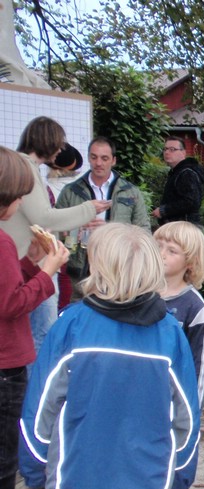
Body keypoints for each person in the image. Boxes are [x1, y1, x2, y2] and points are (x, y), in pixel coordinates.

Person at [18, 223, 200, 489]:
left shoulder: (71, 325)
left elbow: (40, 407)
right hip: (143, 479)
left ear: (98, 269)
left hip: (77, 478)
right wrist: (180, 470)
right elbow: (187, 414)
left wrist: (35, 465)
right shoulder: (168, 334)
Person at [0, 147, 70, 489]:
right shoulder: (1, 240)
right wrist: (48, 271)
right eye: (21, 195)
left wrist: (29, 265)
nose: (24, 203)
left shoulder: (9, 247)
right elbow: (11, 305)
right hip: (6, 367)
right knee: (4, 455)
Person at [2, 116, 111, 352]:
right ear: (48, 141)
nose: (61, 149)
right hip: (29, 265)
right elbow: (44, 217)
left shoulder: (25, 167)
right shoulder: (25, 169)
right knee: (42, 335)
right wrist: (89, 208)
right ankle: (36, 386)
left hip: (26, 264)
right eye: (59, 143)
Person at [152, 221, 204, 489]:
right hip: (140, 398)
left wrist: (192, 406)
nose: (161, 254)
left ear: (189, 262)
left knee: (173, 459)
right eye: (158, 245)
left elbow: (200, 363)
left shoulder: (193, 307)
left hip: (175, 402)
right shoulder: (138, 294)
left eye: (171, 250)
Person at [56, 136, 150, 286]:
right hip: (80, 273)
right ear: (88, 157)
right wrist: (76, 229)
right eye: (94, 157)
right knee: (80, 309)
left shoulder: (131, 192)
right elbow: (55, 231)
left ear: (113, 160)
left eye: (104, 158)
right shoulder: (70, 191)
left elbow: (144, 232)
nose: (98, 163)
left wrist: (109, 230)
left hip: (118, 268)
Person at [46, 144, 83, 311]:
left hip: (47, 247)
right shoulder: (76, 186)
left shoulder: (45, 186)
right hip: (71, 243)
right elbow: (74, 224)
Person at [152, 136, 204, 226]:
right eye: (165, 149)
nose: (167, 152)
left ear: (183, 152)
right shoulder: (177, 172)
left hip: (184, 229)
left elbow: (191, 202)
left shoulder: (187, 173)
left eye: (172, 149)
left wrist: (163, 210)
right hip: (180, 226)